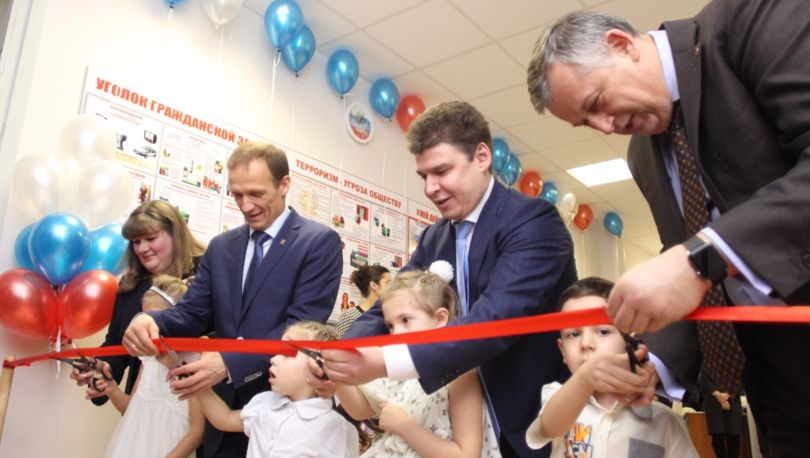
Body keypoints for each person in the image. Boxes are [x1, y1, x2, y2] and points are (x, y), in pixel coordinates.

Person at [526, 3, 810, 455]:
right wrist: (655, 361)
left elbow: (698, 257)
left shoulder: (751, 20)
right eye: (586, 122)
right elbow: (683, 257)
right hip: (777, 380)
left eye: (596, 103)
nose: (605, 127)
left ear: (621, 45)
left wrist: (705, 257)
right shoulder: (642, 155)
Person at [314, 101, 582, 457]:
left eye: (441, 171)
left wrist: (384, 361)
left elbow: (495, 320)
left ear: (481, 157)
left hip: (528, 418)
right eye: (423, 176)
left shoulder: (533, 222)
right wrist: (343, 353)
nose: (430, 187)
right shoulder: (434, 238)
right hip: (454, 418)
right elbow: (385, 306)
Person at [124, 141, 343, 457]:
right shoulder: (221, 247)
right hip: (219, 410)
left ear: (284, 185)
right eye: (237, 194)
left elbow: (301, 327)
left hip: (281, 409)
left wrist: (230, 361)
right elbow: (194, 313)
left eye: (256, 193)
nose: (246, 206)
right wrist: (150, 319)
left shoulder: (318, 243)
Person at [525, 277, 697, 457]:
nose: (586, 343)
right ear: (562, 350)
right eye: (574, 334)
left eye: (603, 331)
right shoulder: (556, 397)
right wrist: (585, 379)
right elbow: (550, 428)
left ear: (628, 342)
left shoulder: (664, 421)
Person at [337, 267, 499, 457]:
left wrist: (404, 426)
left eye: (405, 320)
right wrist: (337, 376)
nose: (396, 333)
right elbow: (360, 409)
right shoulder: (402, 368)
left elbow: (467, 454)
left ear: (440, 318)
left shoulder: (460, 374)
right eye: (390, 326)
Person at [72, 200, 206, 405]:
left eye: (150, 238)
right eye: (136, 242)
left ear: (175, 235)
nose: (142, 248)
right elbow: (117, 345)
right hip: (146, 406)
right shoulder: (130, 287)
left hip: (200, 405)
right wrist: (98, 372)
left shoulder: (206, 275)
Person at [194, 321, 359, 458]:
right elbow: (225, 419)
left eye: (286, 354)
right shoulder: (264, 403)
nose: (273, 359)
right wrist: (197, 384)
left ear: (317, 367)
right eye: (277, 351)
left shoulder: (335, 427)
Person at [100, 275, 204, 458]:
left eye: (155, 318)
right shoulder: (148, 359)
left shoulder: (194, 363)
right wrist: (112, 389)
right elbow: (130, 409)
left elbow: (197, 431)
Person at [697, 367, 743, 458]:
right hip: (713, 400)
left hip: (733, 400)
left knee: (734, 436)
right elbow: (705, 380)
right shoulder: (706, 362)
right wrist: (718, 396)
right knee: (717, 436)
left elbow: (740, 378)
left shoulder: (735, 361)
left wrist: (727, 394)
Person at [335, 264, 391, 337]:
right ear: (374, 285)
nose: (393, 287)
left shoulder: (390, 314)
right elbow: (339, 343)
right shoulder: (349, 317)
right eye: (388, 283)